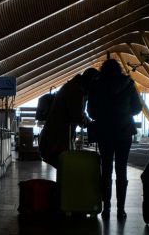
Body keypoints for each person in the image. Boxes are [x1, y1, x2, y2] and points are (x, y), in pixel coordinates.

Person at [87, 59, 142, 220]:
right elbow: (137, 108)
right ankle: (121, 209)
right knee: (121, 169)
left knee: (106, 170)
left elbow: (91, 111)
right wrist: (124, 113)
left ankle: (106, 207)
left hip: (105, 132)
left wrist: (103, 115)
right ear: (119, 70)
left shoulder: (96, 86)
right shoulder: (128, 84)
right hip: (124, 132)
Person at [39, 68, 97, 168]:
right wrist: (91, 124)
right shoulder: (76, 91)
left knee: (64, 168)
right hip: (58, 140)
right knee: (65, 167)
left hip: (56, 138)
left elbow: (78, 113)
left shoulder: (73, 87)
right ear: (90, 82)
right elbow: (77, 115)